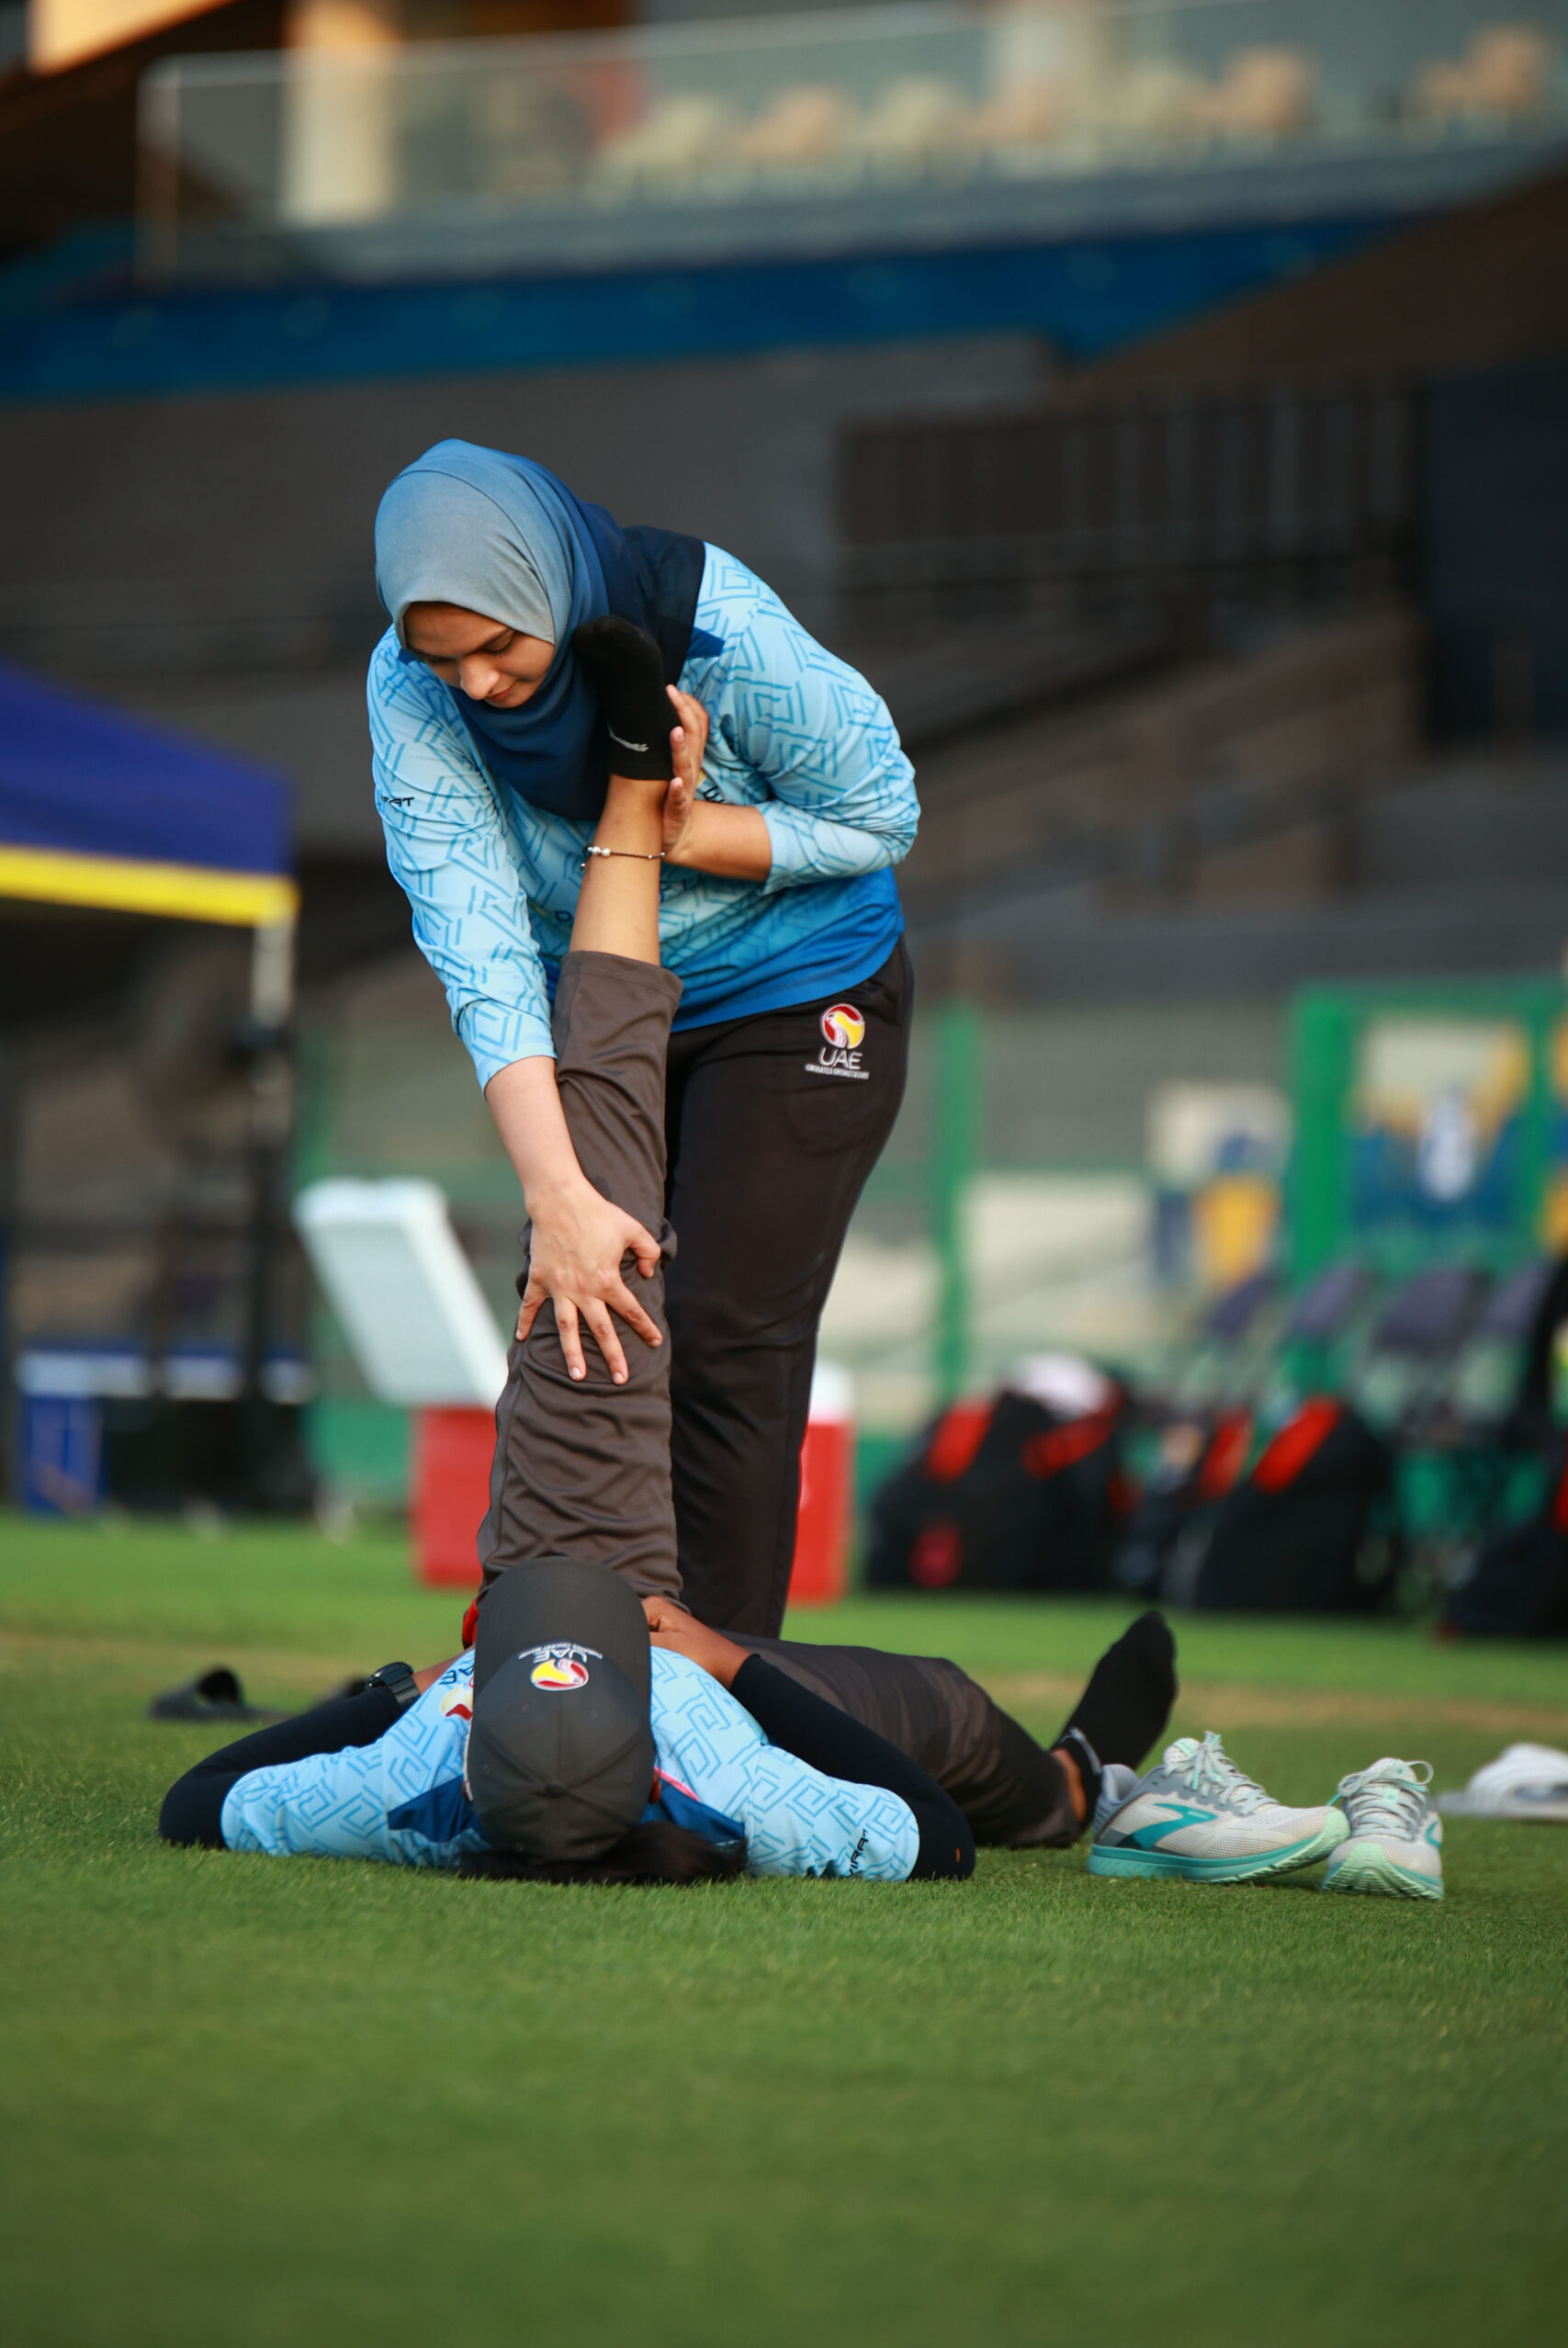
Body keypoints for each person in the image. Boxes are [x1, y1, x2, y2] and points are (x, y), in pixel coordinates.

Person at [164, 669, 1177, 1884]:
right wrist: (728, 1663)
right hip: (686, 1663)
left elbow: (196, 1802)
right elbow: (938, 1837)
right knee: (950, 1715)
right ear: (654, 1762)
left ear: (468, 1737)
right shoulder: (717, 1771)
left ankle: (632, 805)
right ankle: (1073, 1781)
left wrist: (397, 1693)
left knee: (597, 1224)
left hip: (553, 1539)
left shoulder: (418, 1770)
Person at [371, 439, 919, 1636]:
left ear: (549, 596)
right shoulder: (410, 696)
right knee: (585, 1299)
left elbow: (885, 813)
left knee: (719, 1331)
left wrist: (686, 828)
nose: (473, 686)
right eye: (440, 655)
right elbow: (483, 958)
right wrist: (555, 1191)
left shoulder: (712, 621)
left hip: (800, 989)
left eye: (500, 650)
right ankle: (560, 1669)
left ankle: (722, 1695)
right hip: (610, 1001)